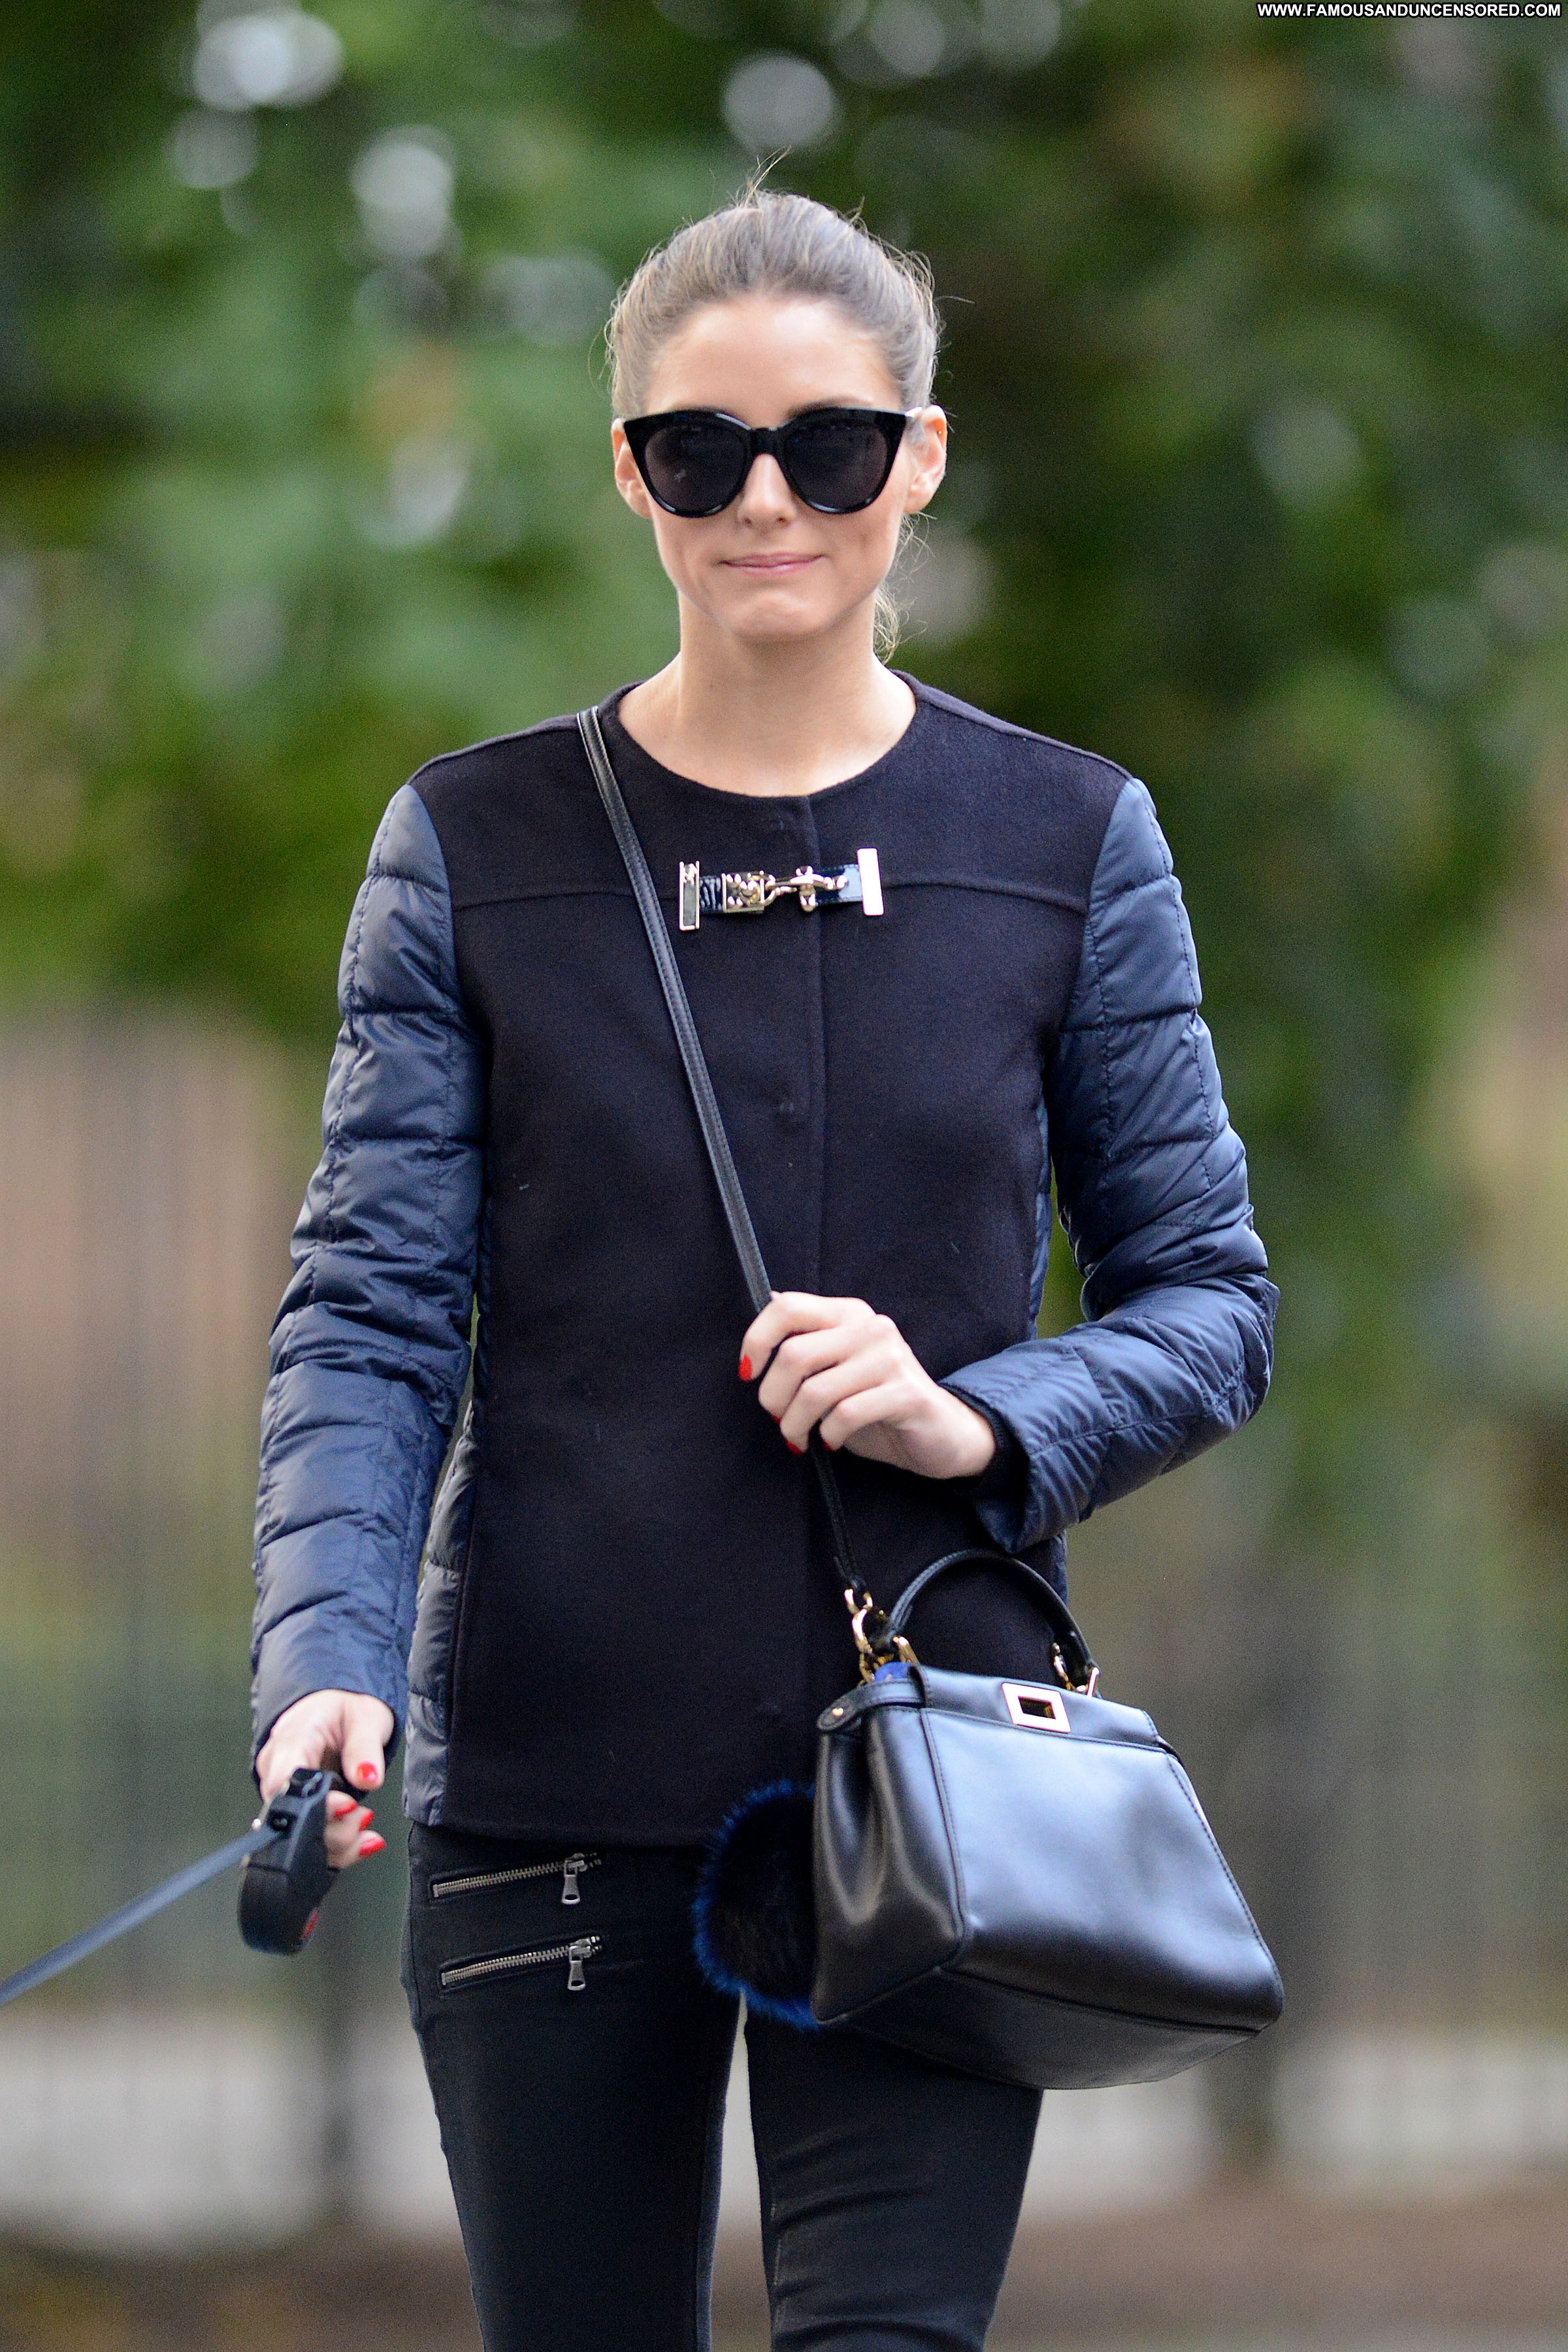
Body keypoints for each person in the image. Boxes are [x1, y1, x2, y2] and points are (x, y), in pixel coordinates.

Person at [249, 190, 1277, 2352]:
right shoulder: (475, 846)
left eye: (829, 443)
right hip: (548, 1774)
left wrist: (973, 1414)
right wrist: (326, 1658)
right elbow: (368, 1310)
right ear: (632, 474)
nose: (767, 499)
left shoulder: (1069, 839)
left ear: (920, 458)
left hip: (937, 1775)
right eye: (701, 450)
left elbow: (1211, 1297)